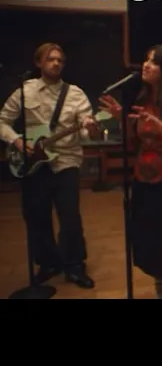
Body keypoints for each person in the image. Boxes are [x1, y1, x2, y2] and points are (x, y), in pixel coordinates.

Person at [99, 44, 162, 299]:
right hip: (145, 185)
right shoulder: (143, 98)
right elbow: (134, 144)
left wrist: (159, 125)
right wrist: (122, 119)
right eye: (146, 60)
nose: (146, 65)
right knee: (156, 252)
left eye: (154, 62)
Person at [0, 42, 99, 289]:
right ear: (39, 63)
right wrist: (18, 141)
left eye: (60, 60)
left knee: (70, 216)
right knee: (36, 216)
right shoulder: (25, 91)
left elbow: (85, 132)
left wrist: (91, 129)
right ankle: (48, 263)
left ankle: (74, 265)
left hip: (66, 161)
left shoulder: (75, 94)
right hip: (33, 163)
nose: (56, 63)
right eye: (50, 59)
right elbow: (2, 121)